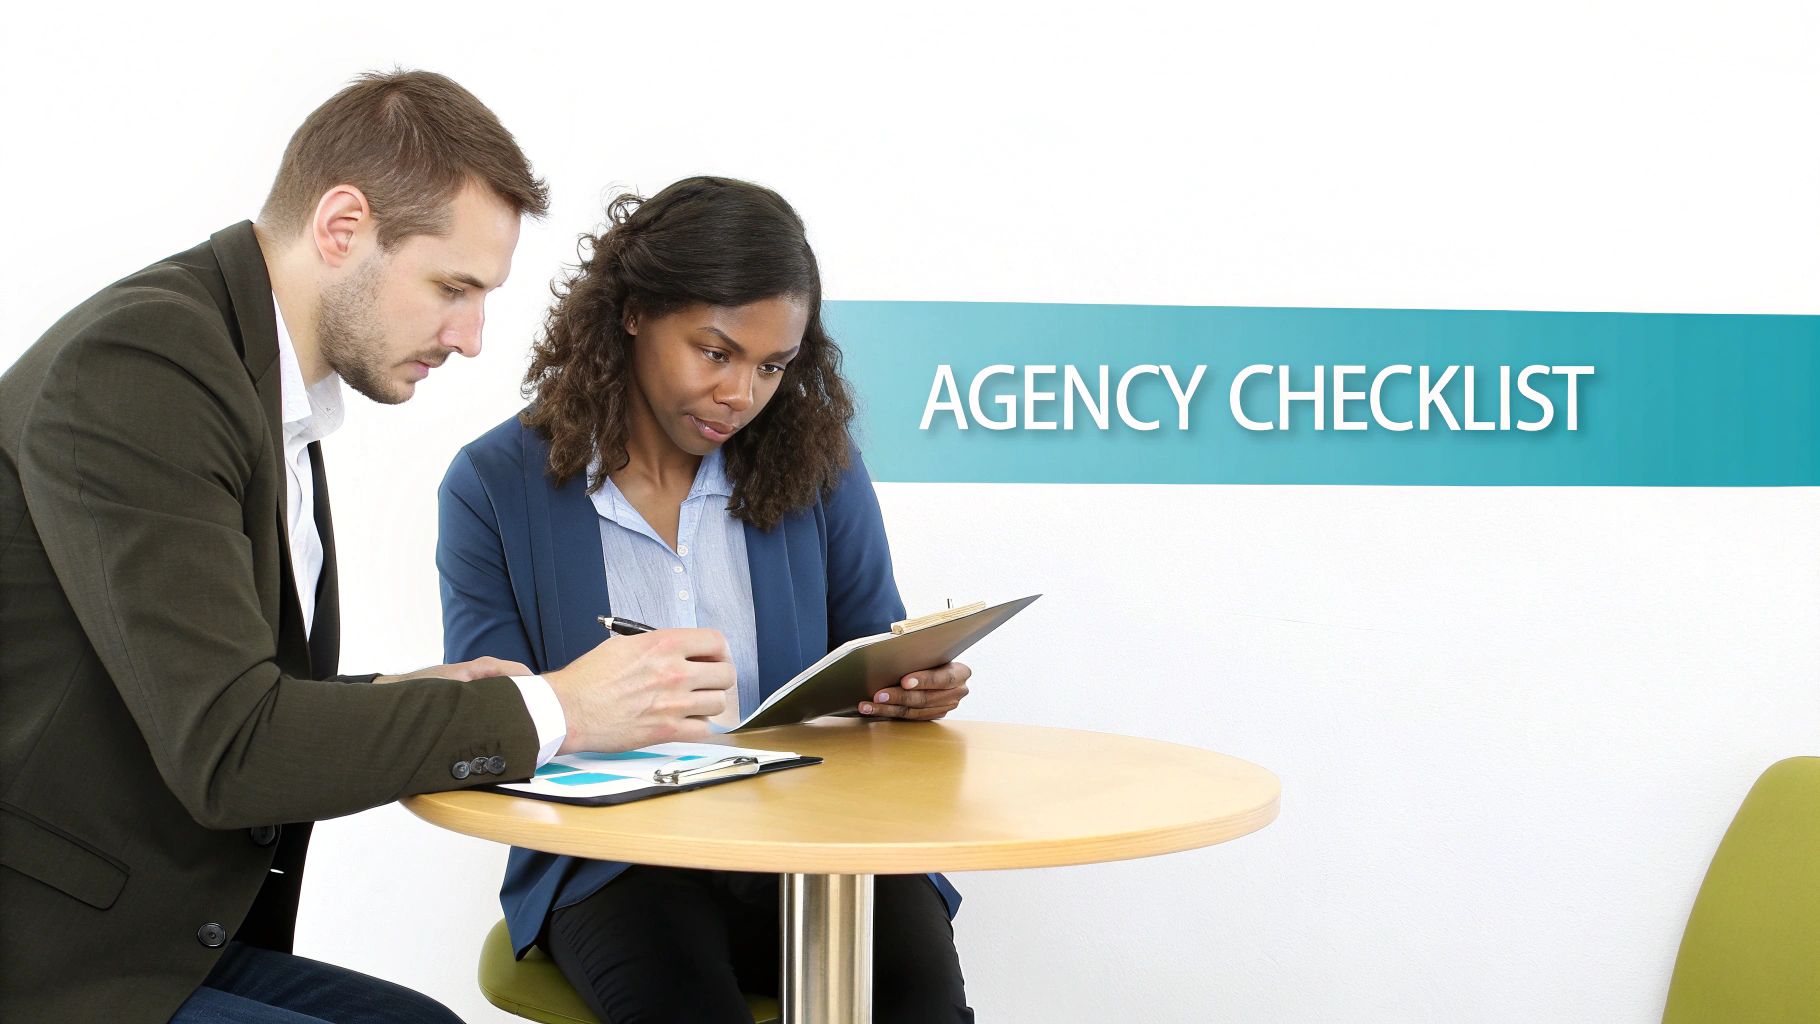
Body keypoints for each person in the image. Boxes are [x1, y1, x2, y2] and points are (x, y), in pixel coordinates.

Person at [0, 72, 738, 1024]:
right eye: (453, 288)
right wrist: (558, 707)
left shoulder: (255, 385)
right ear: (342, 226)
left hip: (150, 929)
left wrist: (412, 697)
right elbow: (233, 751)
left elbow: (226, 692)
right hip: (55, 959)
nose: (472, 337)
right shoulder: (148, 368)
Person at [437, 176, 976, 1022]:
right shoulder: (494, 487)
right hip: (614, 860)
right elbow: (493, 714)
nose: (742, 395)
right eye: (716, 352)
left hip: (812, 840)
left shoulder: (818, 470)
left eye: (772, 366)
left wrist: (910, 691)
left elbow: (870, 654)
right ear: (634, 313)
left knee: (921, 1007)